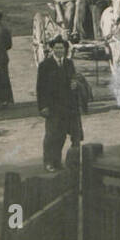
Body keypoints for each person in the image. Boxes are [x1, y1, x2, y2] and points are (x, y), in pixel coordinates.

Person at [36, 36, 83, 172]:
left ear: (65, 49)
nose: (59, 50)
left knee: (62, 136)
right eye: (56, 48)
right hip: (52, 107)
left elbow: (73, 79)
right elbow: (40, 88)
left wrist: (75, 84)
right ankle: (48, 162)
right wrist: (42, 107)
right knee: (51, 136)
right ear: (52, 49)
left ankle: (57, 162)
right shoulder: (45, 65)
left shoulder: (69, 63)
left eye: (61, 48)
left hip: (67, 106)